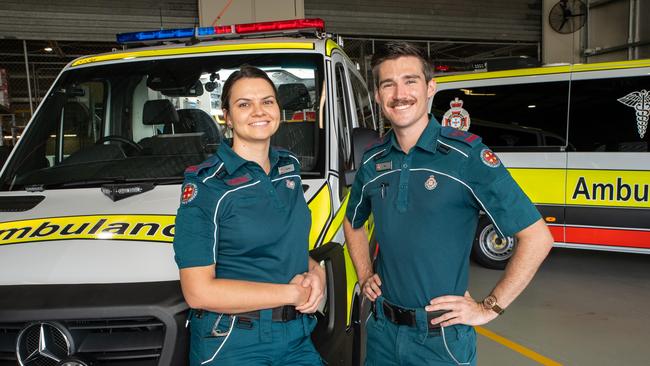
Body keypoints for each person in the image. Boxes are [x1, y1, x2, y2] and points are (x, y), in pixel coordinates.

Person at [344, 42, 554, 366]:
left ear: (430, 88)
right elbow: (352, 221)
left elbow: (537, 237)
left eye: (410, 81)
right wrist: (364, 273)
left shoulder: (466, 157)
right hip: (382, 332)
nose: (400, 93)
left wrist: (489, 307)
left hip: (440, 340)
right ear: (377, 95)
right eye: (388, 83)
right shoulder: (373, 161)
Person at [173, 65, 325, 365]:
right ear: (227, 116)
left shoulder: (288, 168)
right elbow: (198, 292)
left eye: (267, 101)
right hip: (232, 339)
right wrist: (291, 295)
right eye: (244, 104)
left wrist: (316, 271)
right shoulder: (207, 186)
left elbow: (286, 246)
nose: (259, 111)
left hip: (296, 335)